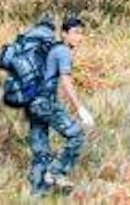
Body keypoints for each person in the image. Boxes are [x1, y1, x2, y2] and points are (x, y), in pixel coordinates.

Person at [24, 15, 94, 196]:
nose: (80, 37)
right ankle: (55, 172)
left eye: (82, 33)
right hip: (45, 103)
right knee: (76, 135)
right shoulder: (63, 51)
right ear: (64, 34)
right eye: (75, 33)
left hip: (32, 103)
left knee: (41, 152)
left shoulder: (50, 50)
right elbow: (65, 80)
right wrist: (79, 108)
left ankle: (37, 194)